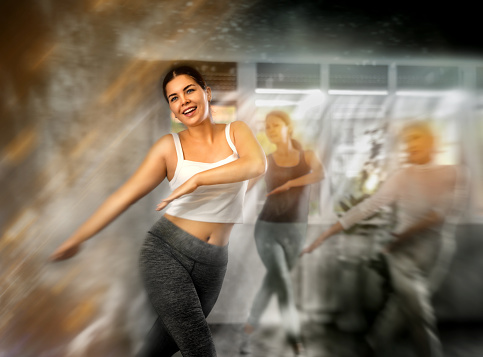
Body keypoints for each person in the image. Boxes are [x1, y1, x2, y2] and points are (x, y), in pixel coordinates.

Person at [50, 65, 267, 357]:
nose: (184, 101)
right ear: (173, 112)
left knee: (159, 348)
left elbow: (256, 166)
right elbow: (122, 197)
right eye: (174, 98)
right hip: (166, 252)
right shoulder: (168, 147)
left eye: (189, 90)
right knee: (199, 348)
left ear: (207, 93)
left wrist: (198, 179)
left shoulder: (236, 132)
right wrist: (77, 239)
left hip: (213, 263)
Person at [301, 120, 468, 357]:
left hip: (434, 251)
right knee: (420, 314)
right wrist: (326, 234)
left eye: (415, 139)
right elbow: (368, 206)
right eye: (407, 141)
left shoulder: (453, 172)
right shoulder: (402, 175)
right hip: (401, 255)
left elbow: (439, 214)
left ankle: (373, 345)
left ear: (432, 143)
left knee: (401, 309)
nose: (409, 145)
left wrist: (399, 236)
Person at [240, 111, 324, 356]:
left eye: (275, 125)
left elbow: (321, 174)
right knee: (284, 284)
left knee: (272, 282)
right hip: (267, 229)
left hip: (296, 230)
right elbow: (245, 187)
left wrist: (290, 184)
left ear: (289, 127)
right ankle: (295, 340)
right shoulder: (266, 161)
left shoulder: (307, 156)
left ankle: (247, 330)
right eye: (267, 127)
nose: (270, 130)